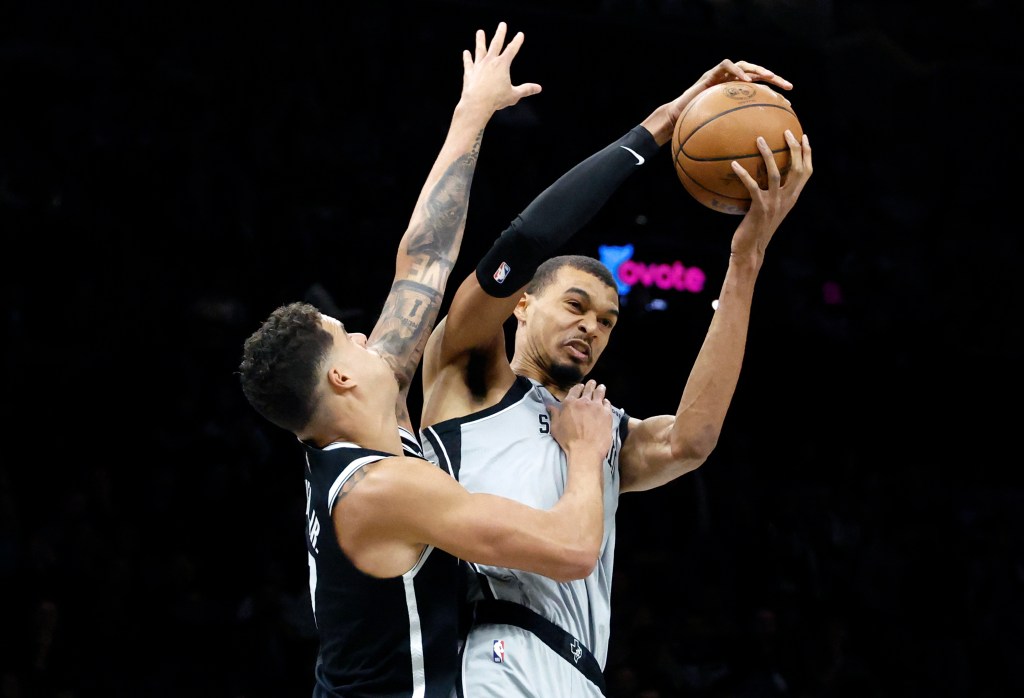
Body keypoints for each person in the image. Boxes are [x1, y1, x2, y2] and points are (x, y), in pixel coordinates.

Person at [237, 23, 616, 698]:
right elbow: (571, 549)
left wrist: (471, 112)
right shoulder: (380, 489)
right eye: (349, 337)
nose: (368, 337)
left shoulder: (361, 434)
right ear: (342, 376)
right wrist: (585, 453)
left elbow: (425, 260)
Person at [418, 59, 813, 697]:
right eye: (575, 306)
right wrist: (659, 127)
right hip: (489, 653)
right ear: (522, 304)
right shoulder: (469, 370)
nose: (591, 329)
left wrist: (746, 258)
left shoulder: (598, 431)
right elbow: (528, 238)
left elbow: (691, 441)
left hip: (580, 673)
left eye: (606, 321)